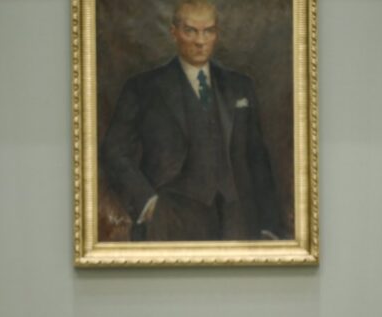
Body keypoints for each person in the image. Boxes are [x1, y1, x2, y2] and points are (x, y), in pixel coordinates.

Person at [100, 0, 282, 241]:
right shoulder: (143, 88)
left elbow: (257, 158)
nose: (200, 41)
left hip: (237, 222)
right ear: (174, 32)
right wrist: (147, 203)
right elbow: (114, 152)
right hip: (168, 221)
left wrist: (270, 225)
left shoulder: (240, 86)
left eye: (208, 31)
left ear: (216, 33)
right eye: (191, 31)